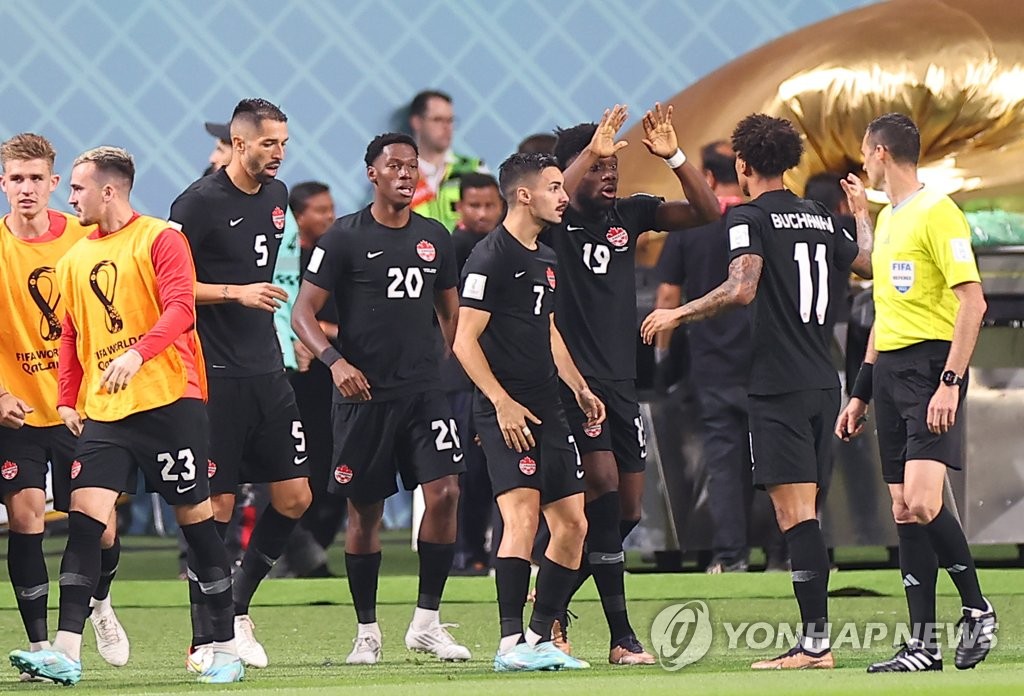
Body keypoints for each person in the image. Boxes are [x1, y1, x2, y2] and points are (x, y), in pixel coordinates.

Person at [641, 113, 872, 670]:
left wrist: (679, 311)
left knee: (795, 516)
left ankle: (815, 645)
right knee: (803, 511)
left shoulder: (747, 215)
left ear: (742, 164)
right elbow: (865, 263)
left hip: (779, 383)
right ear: (789, 162)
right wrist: (862, 216)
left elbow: (743, 287)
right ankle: (813, 640)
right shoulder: (819, 214)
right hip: (824, 380)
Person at [8, 146, 243, 685]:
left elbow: (181, 307)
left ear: (108, 191)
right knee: (86, 525)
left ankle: (226, 647)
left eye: (77, 189)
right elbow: (69, 334)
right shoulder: (73, 258)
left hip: (170, 402)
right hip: (105, 414)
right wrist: (69, 398)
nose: (69, 199)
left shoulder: (160, 238)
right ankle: (66, 651)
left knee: (198, 529)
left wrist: (138, 352)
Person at [550, 103, 719, 662]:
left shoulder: (631, 215)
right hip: (573, 384)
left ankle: (549, 601)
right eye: (597, 166)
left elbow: (707, 210)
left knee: (627, 510)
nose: (609, 174)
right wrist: (587, 155)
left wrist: (672, 155)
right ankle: (621, 637)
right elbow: (556, 198)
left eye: (611, 165)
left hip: (622, 383)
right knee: (598, 486)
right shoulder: (553, 224)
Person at [292, 132, 470, 664]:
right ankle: (367, 631)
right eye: (393, 165)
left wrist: (446, 360)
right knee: (364, 513)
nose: (404, 173)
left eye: (411, 166)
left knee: (445, 494)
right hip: (363, 396)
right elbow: (302, 314)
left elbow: (451, 308)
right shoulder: (343, 238)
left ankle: (427, 623)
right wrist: (336, 361)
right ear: (372, 173)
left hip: (424, 394)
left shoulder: (435, 236)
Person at [835, 113, 996, 673]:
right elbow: (887, 312)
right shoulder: (893, 218)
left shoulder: (938, 211)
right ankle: (921, 646)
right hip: (893, 373)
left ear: (880, 152)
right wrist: (860, 392)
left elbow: (973, 303)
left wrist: (950, 381)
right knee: (905, 509)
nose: (860, 158)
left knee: (926, 501)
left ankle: (977, 608)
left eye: (863, 149)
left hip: (932, 368)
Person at [169, 98, 312, 670]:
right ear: (238, 142)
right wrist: (233, 293)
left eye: (284, 142)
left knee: (295, 495)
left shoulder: (278, 198)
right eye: (269, 143)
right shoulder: (197, 202)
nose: (278, 153)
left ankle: (236, 608)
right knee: (217, 508)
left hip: (267, 369)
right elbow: (166, 286)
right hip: (214, 376)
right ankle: (204, 642)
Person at [454, 151, 603, 672]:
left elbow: (549, 329)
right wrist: (500, 403)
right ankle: (509, 644)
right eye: (555, 188)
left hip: (547, 406)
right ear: (524, 194)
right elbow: (463, 341)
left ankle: (540, 637)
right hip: (505, 408)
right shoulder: (489, 257)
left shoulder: (545, 256)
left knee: (572, 525)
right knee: (520, 519)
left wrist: (579, 388)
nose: (565, 197)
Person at [0, 134, 129, 674]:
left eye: (36, 178)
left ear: (55, 184)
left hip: (81, 408)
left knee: (100, 527)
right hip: (20, 411)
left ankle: (99, 602)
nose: (26, 188)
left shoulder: (83, 237)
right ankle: (39, 647)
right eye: (15, 178)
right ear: (2, 183)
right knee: (25, 516)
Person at [653, 141, 759, 574]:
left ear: (708, 179)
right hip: (763, 362)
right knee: (773, 463)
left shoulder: (692, 226)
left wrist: (662, 362)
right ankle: (787, 554)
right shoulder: (758, 221)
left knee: (723, 464)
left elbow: (666, 296)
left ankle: (731, 556)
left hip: (711, 363)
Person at [446, 172, 503, 573]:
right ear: (460, 207)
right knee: (466, 472)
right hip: (457, 379)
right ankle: (467, 553)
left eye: (489, 205)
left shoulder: (510, 248)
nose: (482, 213)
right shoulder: (449, 249)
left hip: (503, 375)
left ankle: (502, 550)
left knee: (497, 470)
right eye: (475, 205)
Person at [408, 89, 486, 231]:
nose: (447, 127)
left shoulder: (475, 170)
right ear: (417, 122)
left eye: (450, 120)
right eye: (437, 120)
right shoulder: (398, 174)